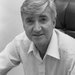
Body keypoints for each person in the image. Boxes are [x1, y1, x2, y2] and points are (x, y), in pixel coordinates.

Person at [0, 0, 75, 75]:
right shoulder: (20, 42)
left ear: (53, 22)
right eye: (30, 21)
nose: (36, 29)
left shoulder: (71, 54)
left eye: (43, 20)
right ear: (23, 25)